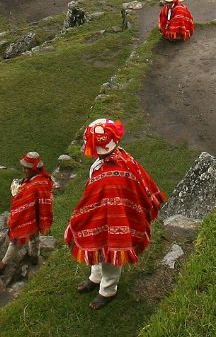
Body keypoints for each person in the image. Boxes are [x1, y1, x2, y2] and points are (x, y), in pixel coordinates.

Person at [64, 118, 164, 309]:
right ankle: (96, 277)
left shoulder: (115, 168)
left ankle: (108, 290)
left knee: (111, 252)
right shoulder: (114, 159)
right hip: (103, 214)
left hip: (117, 217)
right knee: (97, 246)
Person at [0, 152, 55, 275]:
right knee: (34, 236)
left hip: (28, 216)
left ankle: (2, 265)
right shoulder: (43, 179)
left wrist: (18, 193)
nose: (24, 170)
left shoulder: (34, 185)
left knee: (17, 236)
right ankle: (34, 256)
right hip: (37, 215)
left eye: (26, 168)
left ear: (34, 169)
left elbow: (26, 201)